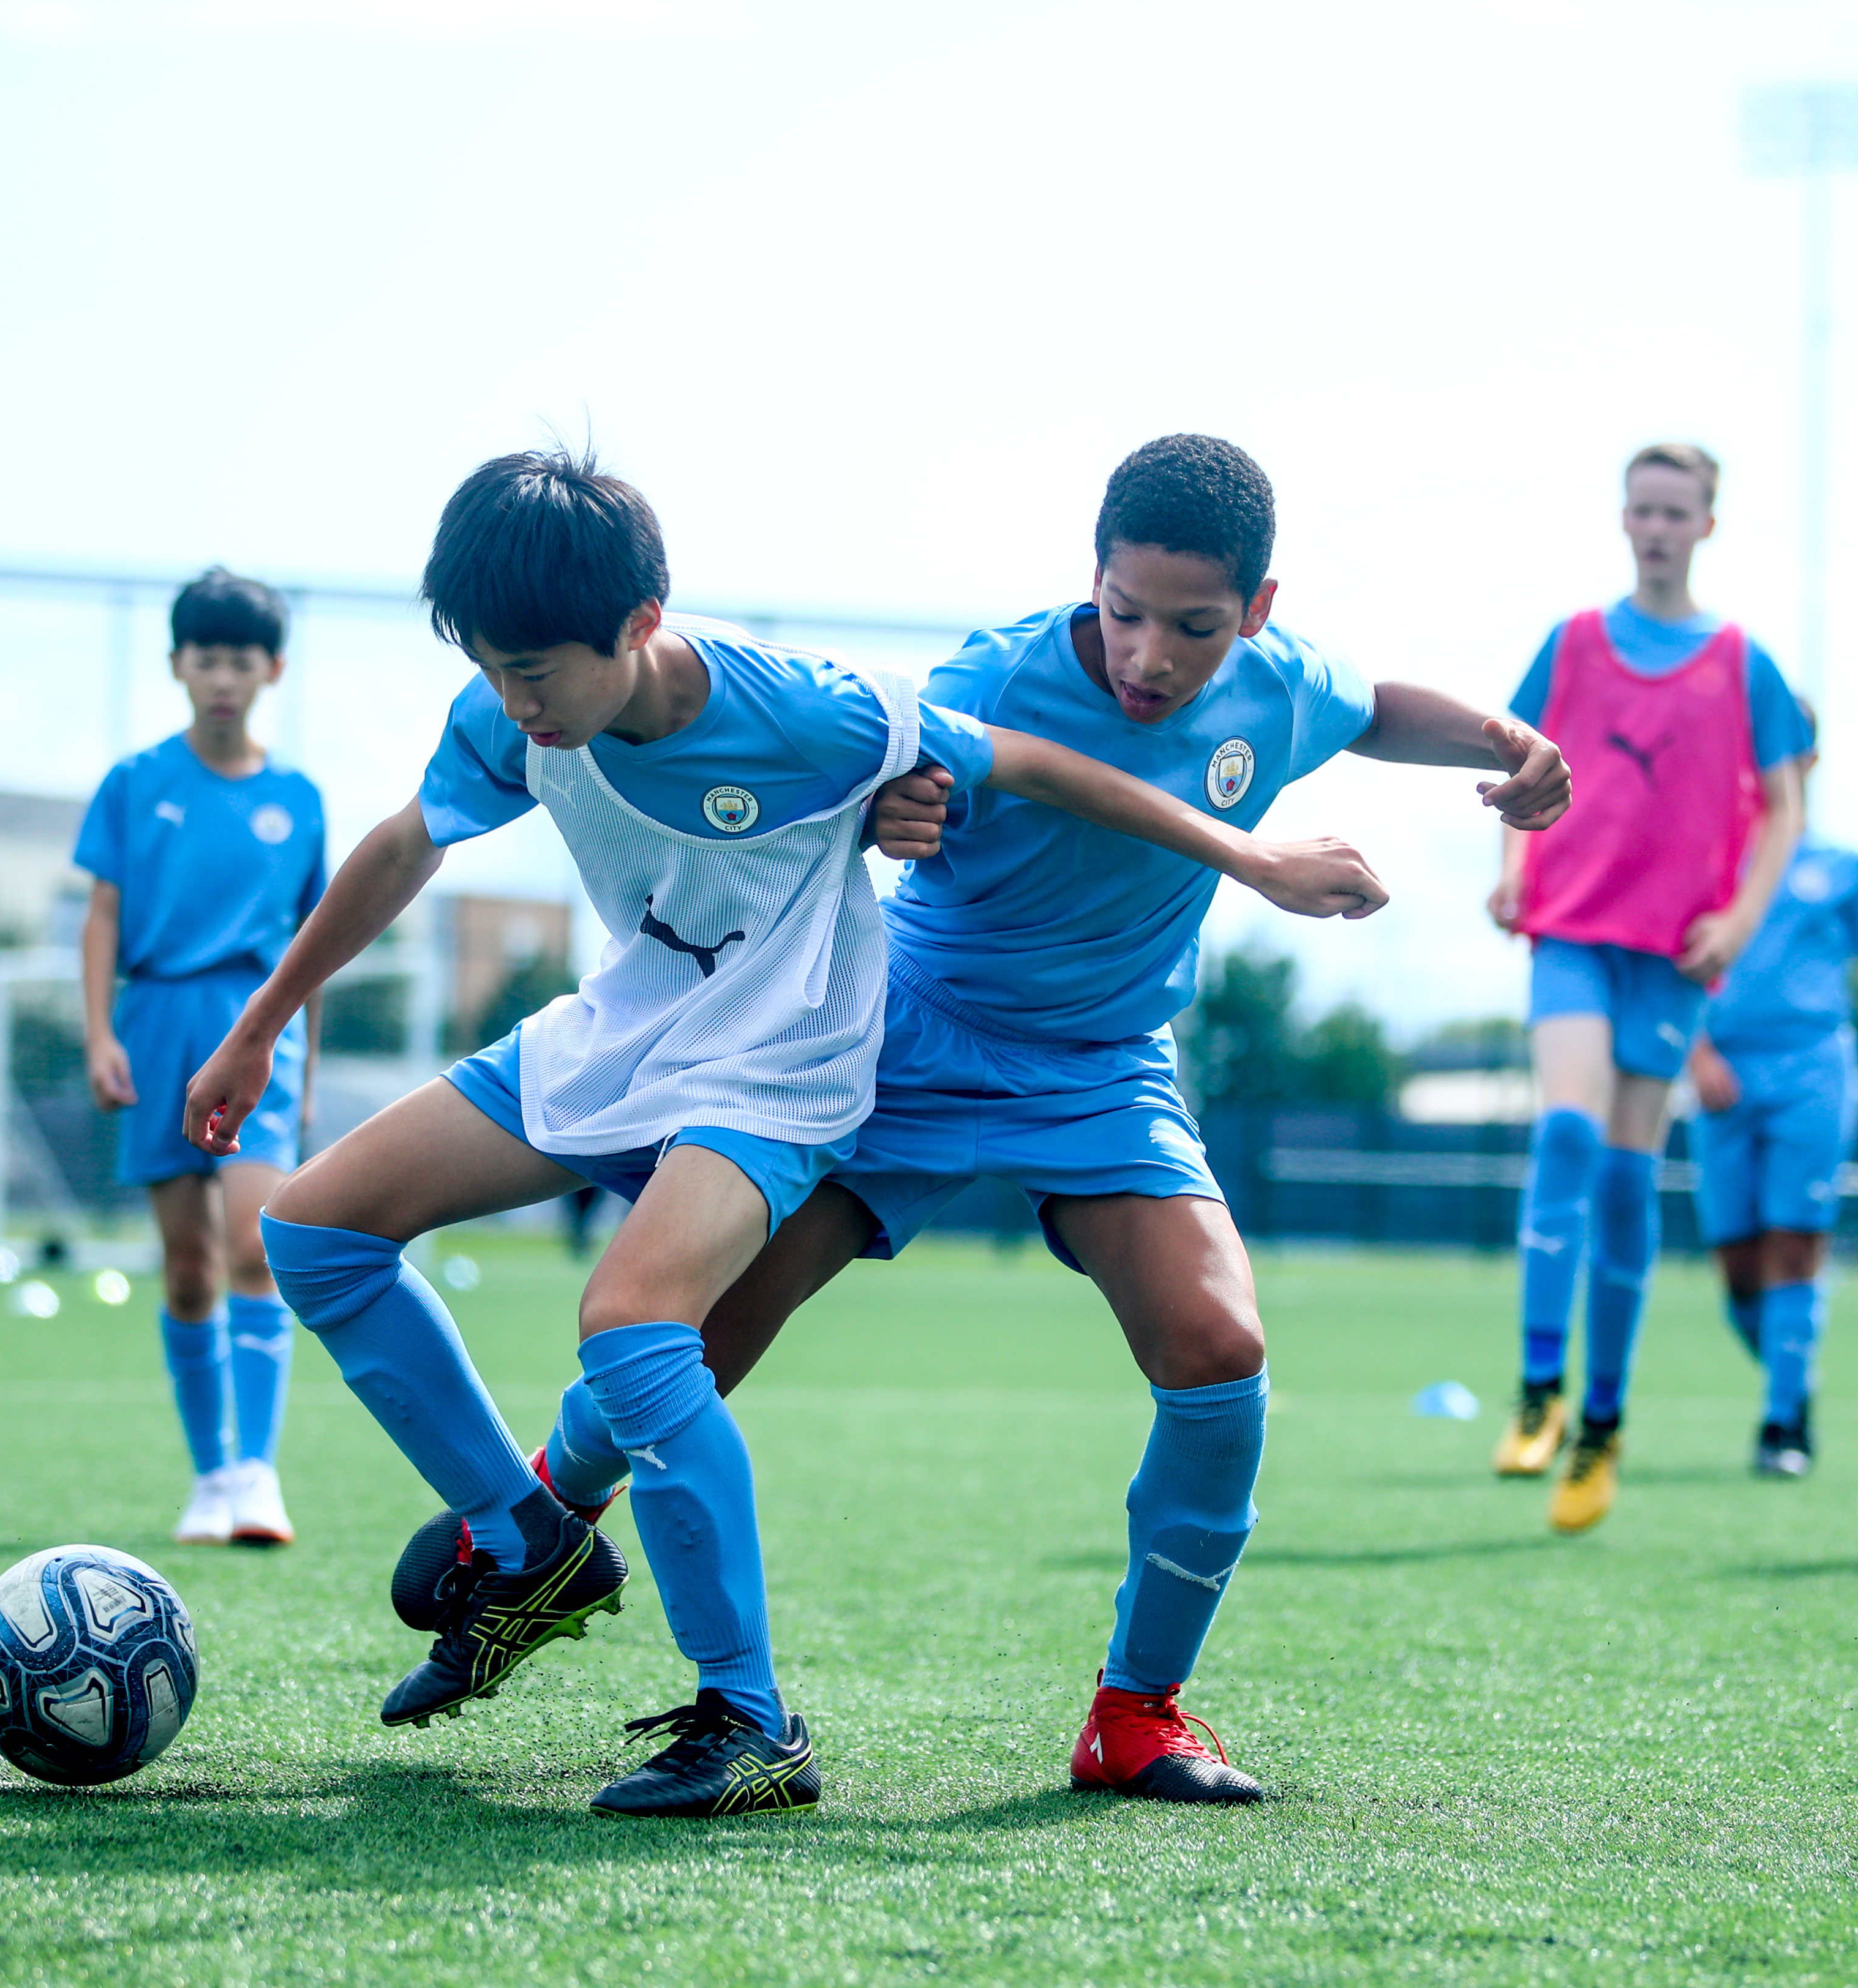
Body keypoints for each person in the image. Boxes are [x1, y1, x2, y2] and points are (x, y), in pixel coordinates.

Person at [188, 446, 1390, 1818]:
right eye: (492, 666)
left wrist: (1251, 858)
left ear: (639, 625)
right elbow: (406, 844)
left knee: (636, 1319)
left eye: (538, 672)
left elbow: (1030, 763)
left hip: (787, 1056)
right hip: (638, 1022)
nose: (513, 701)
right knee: (314, 1230)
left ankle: (761, 1719)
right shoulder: (507, 708)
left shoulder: (806, 708)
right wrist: (262, 1020)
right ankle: (526, 1532)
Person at [531, 433, 1573, 1807]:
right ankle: (537, 1527)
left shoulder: (1281, 684)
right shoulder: (994, 675)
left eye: (1192, 627)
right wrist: (900, 806)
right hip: (909, 1038)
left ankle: (1135, 1716)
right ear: (1091, 580)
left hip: (1101, 1068)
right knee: (701, 1337)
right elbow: (864, 765)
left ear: (1255, 612)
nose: (1148, 653)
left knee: (1218, 1348)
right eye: (1124, 612)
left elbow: (1373, 703)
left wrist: (1507, 743)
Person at [1483, 443, 1808, 1531]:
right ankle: (1538, 1387)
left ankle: (1605, 1425)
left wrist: (1739, 920)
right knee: (1567, 1138)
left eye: (1677, 511)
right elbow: (1523, 763)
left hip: (1671, 953)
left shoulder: (1741, 661)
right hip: (1572, 928)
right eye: (1642, 508)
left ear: (1707, 524)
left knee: (1627, 1179)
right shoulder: (1574, 642)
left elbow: (1786, 807)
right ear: (1623, 518)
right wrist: (1512, 871)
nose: (1657, 525)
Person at [77, 568, 326, 1550]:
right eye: (205, 657)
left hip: (257, 1023)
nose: (222, 676)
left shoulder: (300, 797)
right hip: (158, 1020)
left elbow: (316, 943)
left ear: (272, 669)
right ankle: (211, 1474)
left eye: (241, 659)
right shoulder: (136, 784)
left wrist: (302, 1056)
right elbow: (101, 915)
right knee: (187, 1270)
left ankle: (260, 1473)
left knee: (254, 1243)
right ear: (177, 664)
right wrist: (99, 1034)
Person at [1683, 701, 1858, 1477]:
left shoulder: (1845, 869)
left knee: (1796, 1241)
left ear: (1806, 761)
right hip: (1721, 1080)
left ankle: (1784, 1420)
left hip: (1812, 1069)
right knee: (1738, 1268)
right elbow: (1665, 962)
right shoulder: (1703, 858)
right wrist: (1695, 1054)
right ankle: (1791, 1368)